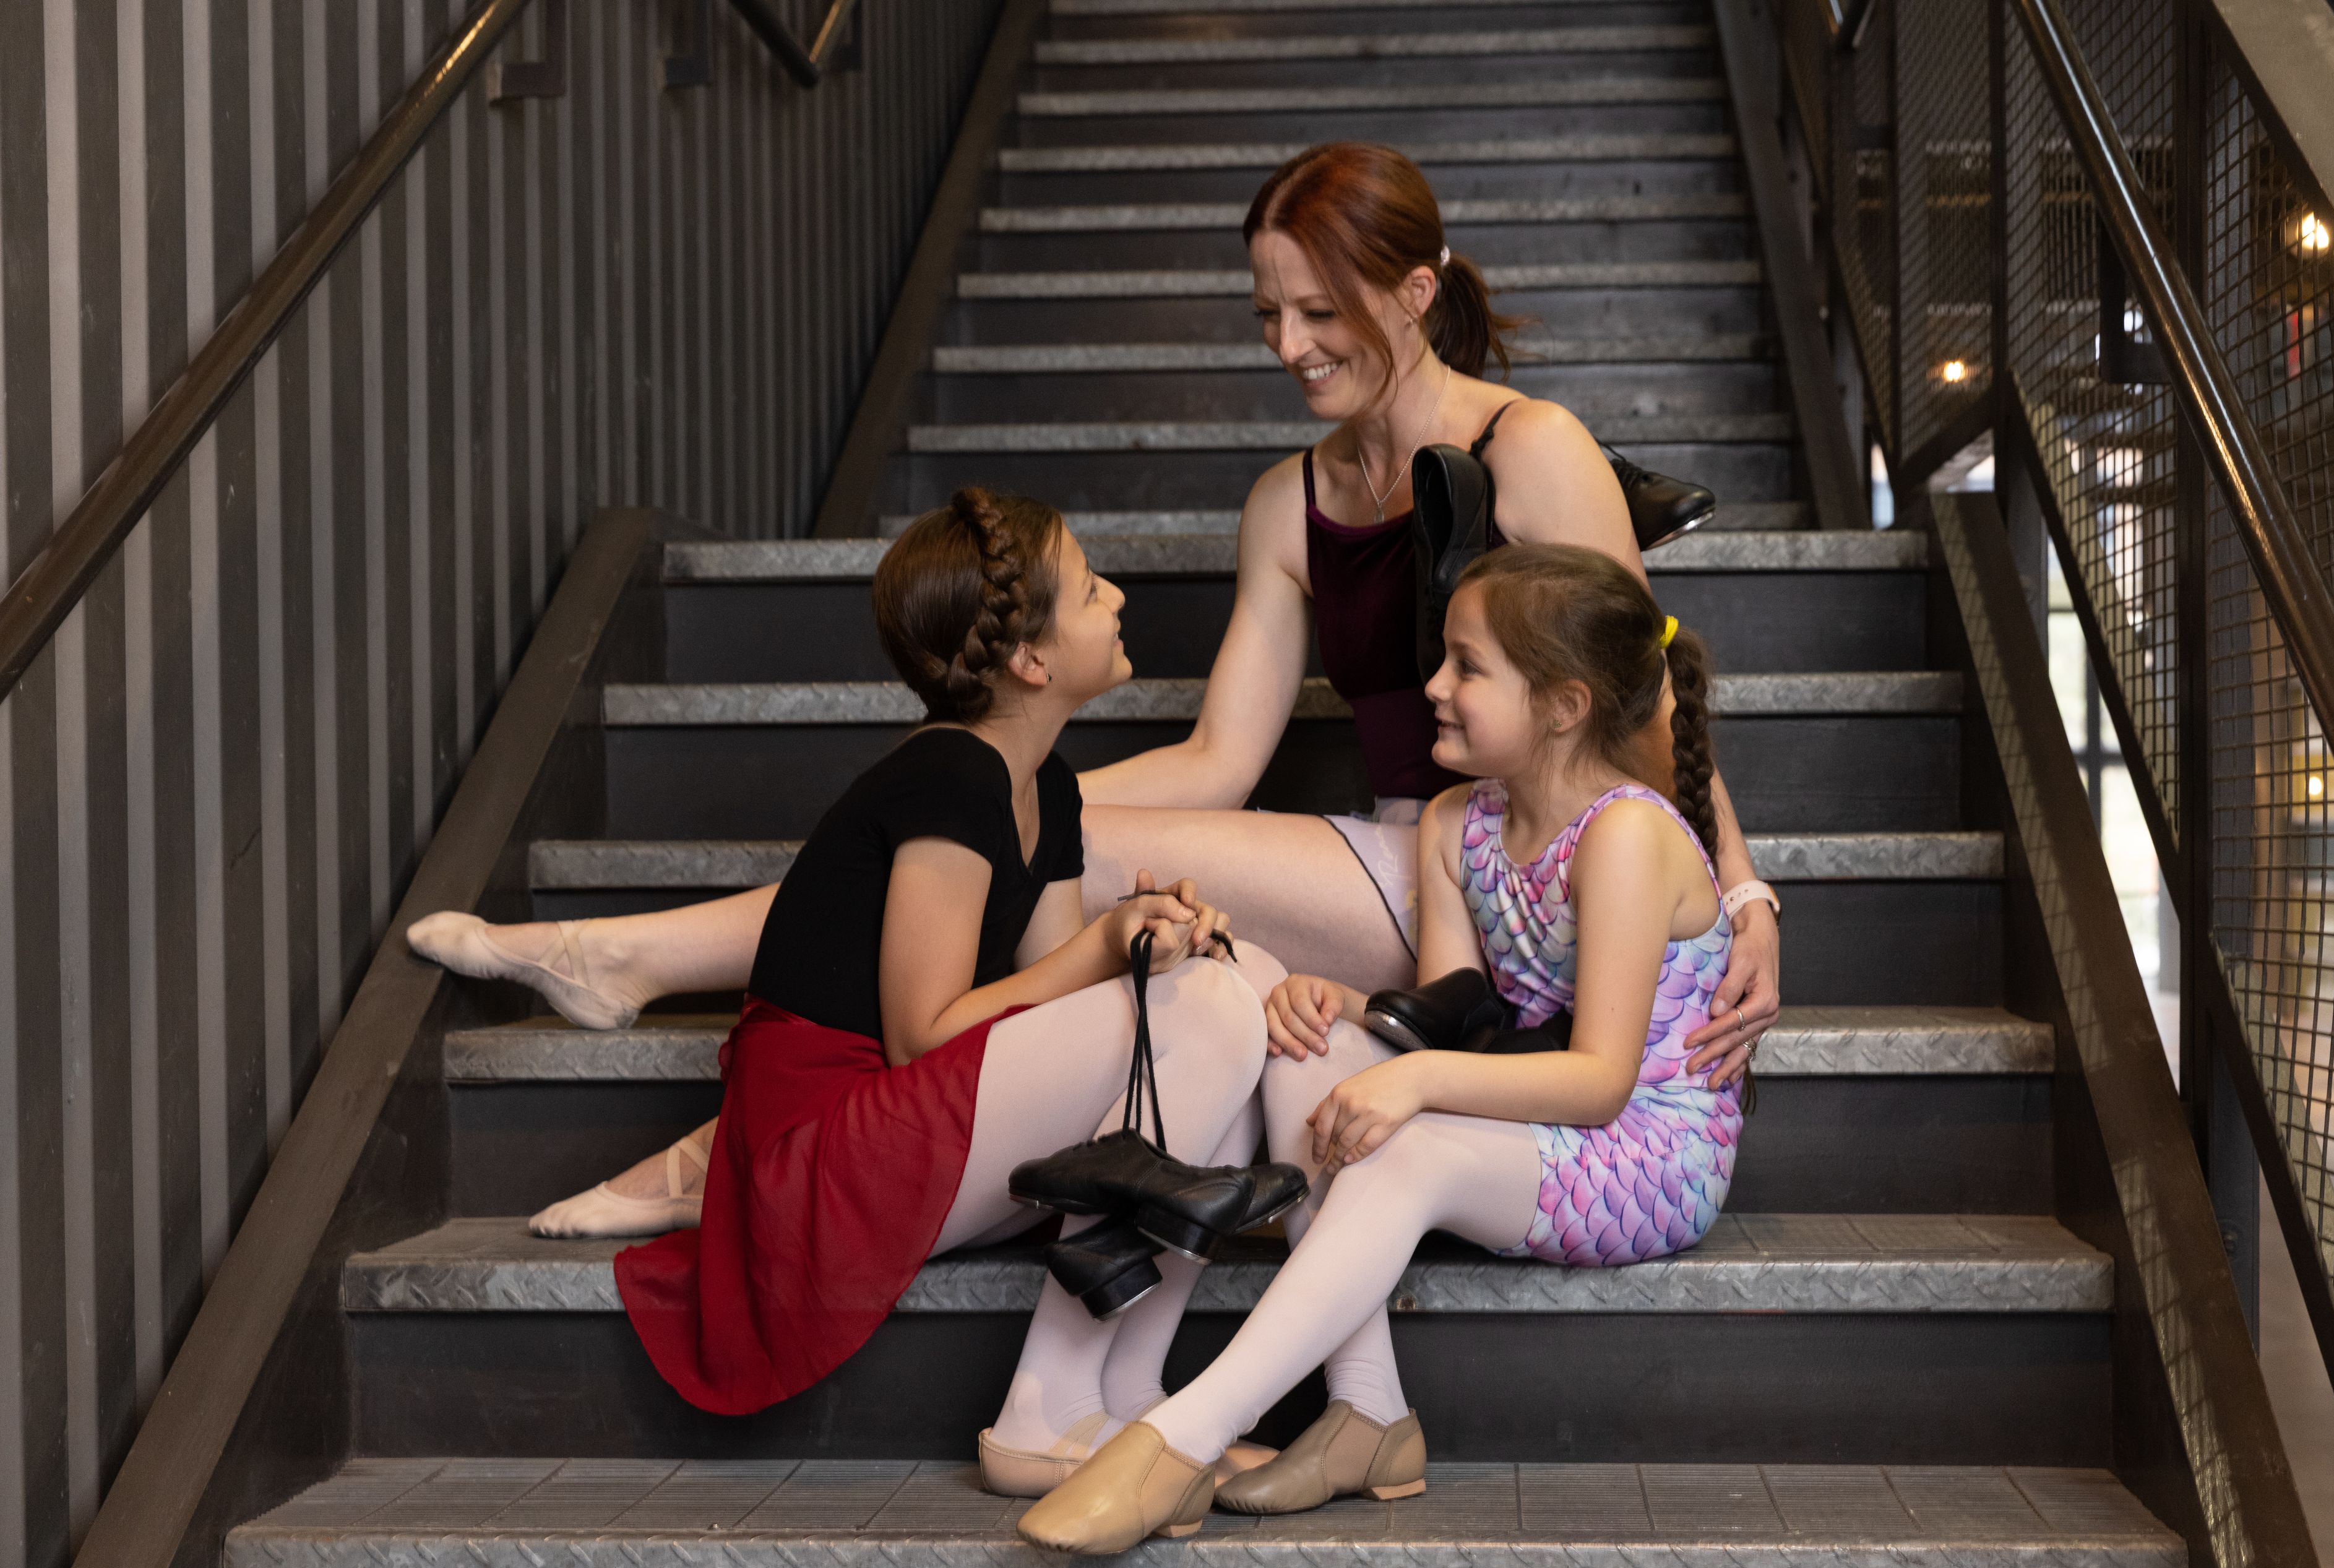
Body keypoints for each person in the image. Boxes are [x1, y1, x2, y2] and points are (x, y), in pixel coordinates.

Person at [405, 141, 1781, 1235]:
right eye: (1266, 313)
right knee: (1033, 833)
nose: (1288, 345)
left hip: (1504, 869)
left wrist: (1733, 896)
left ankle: (644, 969)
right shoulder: (1286, 500)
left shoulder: (1529, 445)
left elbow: (1639, 693)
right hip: (1411, 853)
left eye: (1322, 310)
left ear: (1415, 293)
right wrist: (1010, 797)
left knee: (1052, 841)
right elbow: (1219, 759)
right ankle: (664, 1006)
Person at [1017, 544, 1744, 1553]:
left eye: (1467, 667)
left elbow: (1600, 1082)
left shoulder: (1627, 835)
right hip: (1533, 1114)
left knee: (1408, 1141)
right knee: (1301, 1038)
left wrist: (1411, 1079)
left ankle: (1178, 1437)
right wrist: (1347, 1007)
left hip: (1646, 1151)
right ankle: (1369, 1410)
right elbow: (1459, 1019)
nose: (1433, 688)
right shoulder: (1460, 824)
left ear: (1565, 705)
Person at [611, 488, 1288, 1496]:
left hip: (914, 1130)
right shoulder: (950, 777)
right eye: (1092, 586)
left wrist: (1156, 949)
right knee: (1215, 1008)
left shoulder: (1043, 784)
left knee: (1224, 1001)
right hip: (819, 1157)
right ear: (1031, 659)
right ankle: (1043, 1411)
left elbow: (1052, 1004)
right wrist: (1112, 950)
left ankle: (1135, 1397)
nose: (1117, 597)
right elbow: (921, 1038)